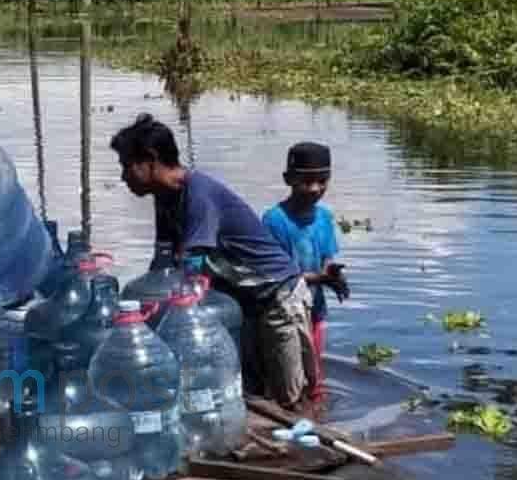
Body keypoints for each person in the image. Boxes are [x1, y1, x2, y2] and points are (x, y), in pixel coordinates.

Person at [109, 113, 316, 409]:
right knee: (250, 388)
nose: (123, 177)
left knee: (289, 395)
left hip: (278, 295)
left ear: (151, 159)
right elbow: (163, 265)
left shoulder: (198, 195)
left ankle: (307, 442)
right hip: (244, 299)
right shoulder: (165, 198)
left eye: (127, 166)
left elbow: (191, 267)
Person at [262, 142, 349, 402]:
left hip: (315, 311)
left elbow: (326, 259)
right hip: (285, 314)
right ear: (288, 179)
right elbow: (277, 277)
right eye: (306, 181)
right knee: (288, 379)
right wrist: (320, 278)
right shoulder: (274, 220)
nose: (315, 189)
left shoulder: (323, 217)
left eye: (322, 181)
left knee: (315, 378)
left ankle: (315, 417)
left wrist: (332, 276)